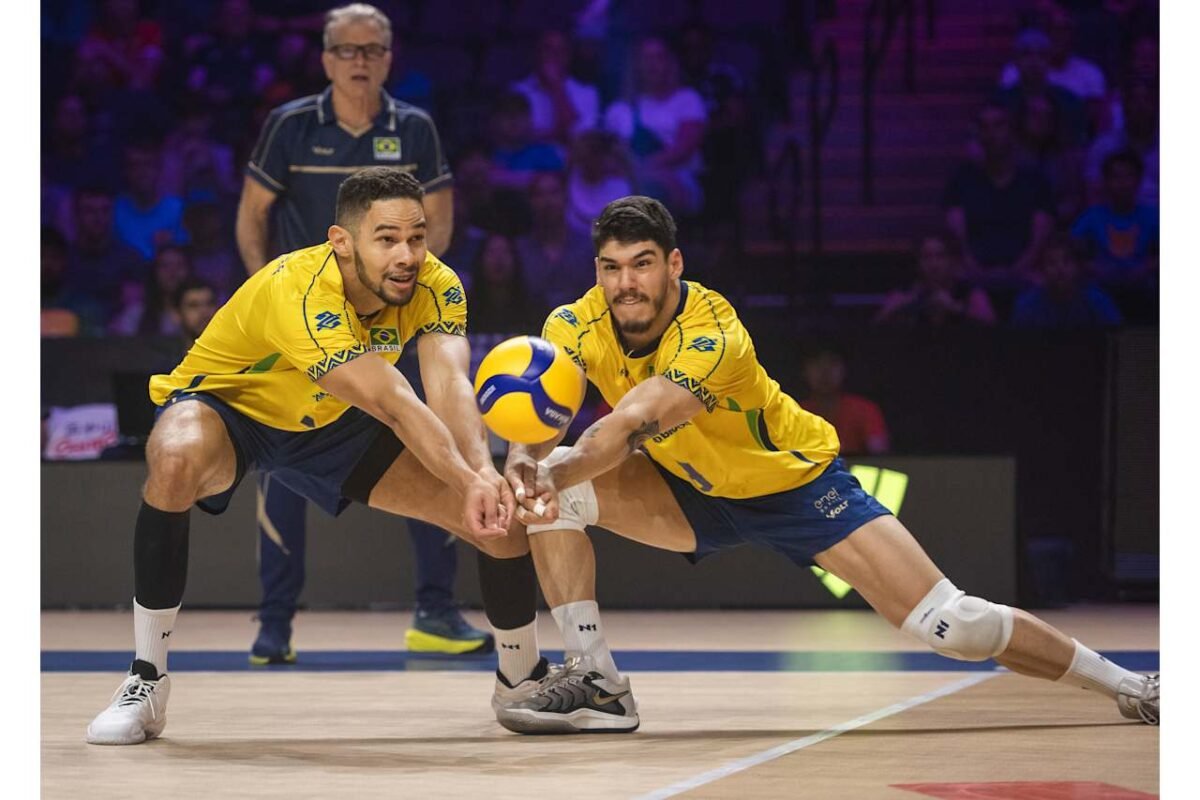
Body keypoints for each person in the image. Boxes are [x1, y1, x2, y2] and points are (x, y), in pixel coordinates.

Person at [492, 195, 1158, 734]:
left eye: (641, 264)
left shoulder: (715, 332)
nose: (625, 283)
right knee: (553, 499)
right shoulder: (571, 325)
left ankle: (1132, 686)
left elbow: (633, 421)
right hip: (691, 492)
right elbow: (542, 417)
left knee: (951, 624)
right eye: (610, 267)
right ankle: (599, 681)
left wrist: (548, 472)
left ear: (674, 264)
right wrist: (525, 463)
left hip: (798, 487)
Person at [85, 168, 544, 745]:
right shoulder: (299, 290)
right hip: (234, 408)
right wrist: (465, 474)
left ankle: (522, 679)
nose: (407, 254)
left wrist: (482, 474)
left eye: (417, 236)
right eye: (386, 239)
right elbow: (393, 400)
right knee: (175, 457)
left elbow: (449, 385)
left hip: (331, 421)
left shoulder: (437, 283)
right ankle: (146, 681)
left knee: (498, 520)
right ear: (342, 241)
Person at [235, 3, 487, 663]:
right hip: (302, 331)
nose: (358, 61)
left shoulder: (415, 128)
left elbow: (439, 221)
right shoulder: (290, 127)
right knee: (282, 467)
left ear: (388, 56)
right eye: (345, 50)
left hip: (385, 324)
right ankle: (274, 624)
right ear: (325, 58)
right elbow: (251, 215)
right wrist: (273, 303)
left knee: (431, 444)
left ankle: (435, 612)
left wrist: (405, 291)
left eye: (371, 50)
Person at [943, 102, 1053, 297]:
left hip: (1025, 274)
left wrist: (1018, 270)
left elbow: (1041, 235)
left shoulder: (1035, 180)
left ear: (1012, 131)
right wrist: (974, 268)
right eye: (984, 127)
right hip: (973, 274)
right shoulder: (961, 180)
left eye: (998, 126)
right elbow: (955, 234)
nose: (991, 133)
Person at [603, 36, 707, 215]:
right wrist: (641, 173)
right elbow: (611, 156)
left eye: (658, 57)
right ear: (636, 65)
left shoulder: (688, 100)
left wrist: (644, 171)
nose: (652, 65)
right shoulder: (620, 109)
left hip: (680, 179)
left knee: (650, 191)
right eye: (646, 58)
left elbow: (683, 150)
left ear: (669, 62)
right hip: (628, 178)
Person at [874, 234, 996, 328]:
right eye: (927, 257)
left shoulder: (970, 293)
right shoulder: (904, 293)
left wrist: (954, 307)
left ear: (952, 260)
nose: (934, 264)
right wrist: (905, 305)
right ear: (918, 263)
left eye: (940, 256)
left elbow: (993, 329)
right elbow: (874, 329)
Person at [515, 171, 595, 309]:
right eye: (540, 194)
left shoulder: (588, 247)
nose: (548, 201)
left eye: (554, 192)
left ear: (566, 197)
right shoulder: (518, 250)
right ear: (531, 201)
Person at [510, 30, 601, 147]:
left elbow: (581, 140)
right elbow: (515, 139)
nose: (554, 55)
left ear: (568, 56)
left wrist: (557, 89)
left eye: (560, 51)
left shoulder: (587, 93)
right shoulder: (518, 91)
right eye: (548, 49)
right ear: (537, 53)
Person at [1011, 234, 1123, 329]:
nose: (1060, 269)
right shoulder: (1028, 305)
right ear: (1042, 269)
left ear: (1079, 266)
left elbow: (1116, 340)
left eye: (1067, 261)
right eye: (1052, 263)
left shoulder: (1097, 302)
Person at [798, 346, 891, 457]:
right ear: (804, 371)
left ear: (844, 369)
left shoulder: (865, 410)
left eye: (832, 362)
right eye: (816, 363)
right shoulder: (795, 413)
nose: (825, 371)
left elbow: (882, 458)